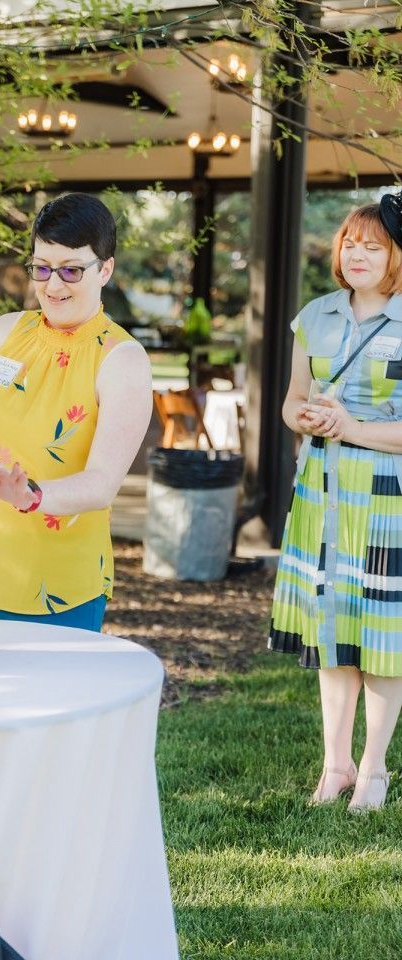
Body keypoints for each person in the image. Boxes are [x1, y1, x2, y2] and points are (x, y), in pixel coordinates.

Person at [0, 193, 152, 631]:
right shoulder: (4, 332)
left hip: (57, 582)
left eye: (71, 269)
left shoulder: (122, 359)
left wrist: (31, 496)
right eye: (42, 268)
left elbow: (102, 485)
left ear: (105, 269)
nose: (53, 285)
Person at [268, 194, 402, 811]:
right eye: (351, 243)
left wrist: (351, 429)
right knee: (333, 632)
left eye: (374, 246)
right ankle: (336, 764)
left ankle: (374, 770)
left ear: (396, 254)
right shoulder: (315, 316)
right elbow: (293, 399)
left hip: (387, 498)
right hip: (322, 490)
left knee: (382, 639)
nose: (358, 255)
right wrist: (309, 417)